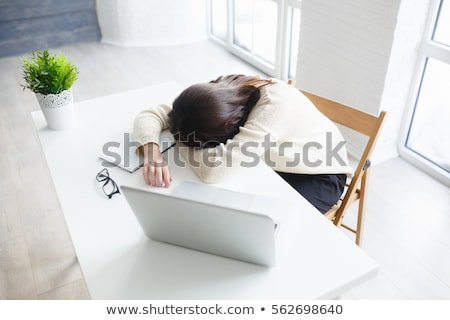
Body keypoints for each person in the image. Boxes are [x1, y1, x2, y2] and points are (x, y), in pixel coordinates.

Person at [133, 75, 353, 214]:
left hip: (318, 174)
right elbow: (152, 114)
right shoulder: (223, 91)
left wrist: (177, 139)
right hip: (272, 161)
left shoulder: (272, 109)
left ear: (230, 125)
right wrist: (153, 152)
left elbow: (213, 171)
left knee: (269, 223)